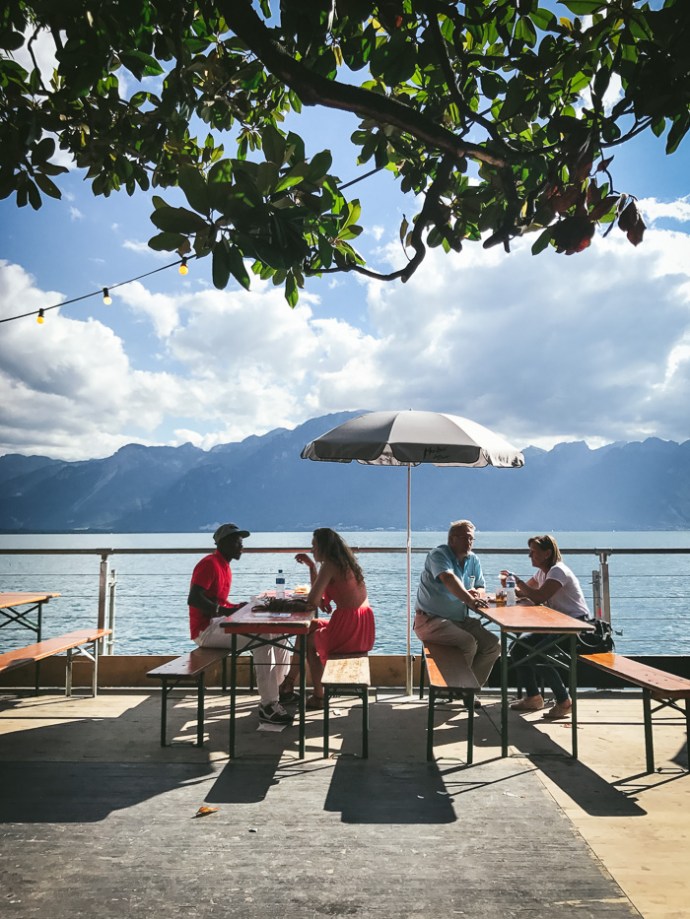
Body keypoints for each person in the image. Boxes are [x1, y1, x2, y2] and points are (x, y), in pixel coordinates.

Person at [187, 522, 293, 725]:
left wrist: (237, 607)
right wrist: (226, 611)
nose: (241, 546)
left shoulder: (224, 566)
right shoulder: (209, 564)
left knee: (278, 632)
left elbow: (218, 600)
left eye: (241, 542)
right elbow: (194, 598)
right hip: (204, 629)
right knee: (262, 637)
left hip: (218, 622)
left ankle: (280, 690)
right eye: (237, 542)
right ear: (223, 544)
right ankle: (268, 705)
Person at [278, 528, 375, 711]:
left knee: (307, 640)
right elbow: (320, 597)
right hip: (362, 626)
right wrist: (312, 567)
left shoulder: (330, 565)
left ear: (323, 547)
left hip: (349, 628)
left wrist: (296, 602)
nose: (312, 550)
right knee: (309, 626)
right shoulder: (345, 563)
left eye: (314, 546)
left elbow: (313, 602)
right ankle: (288, 683)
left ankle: (319, 696)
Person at [413, 519, 499, 706]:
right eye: (465, 538)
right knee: (467, 642)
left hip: (459, 619)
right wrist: (470, 599)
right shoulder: (438, 555)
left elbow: (480, 585)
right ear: (452, 539)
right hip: (430, 620)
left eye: (472, 539)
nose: (470, 542)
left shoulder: (473, 559)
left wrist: (477, 593)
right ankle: (449, 689)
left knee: (493, 645)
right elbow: (448, 577)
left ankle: (467, 690)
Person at [509, 534, 591, 720]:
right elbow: (524, 592)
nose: (530, 556)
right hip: (558, 624)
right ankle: (533, 697)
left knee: (538, 654)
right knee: (518, 648)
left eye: (533, 552)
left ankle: (564, 701)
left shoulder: (557, 571)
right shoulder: (542, 573)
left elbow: (538, 597)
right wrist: (510, 586)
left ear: (547, 553)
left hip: (576, 626)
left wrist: (519, 582)